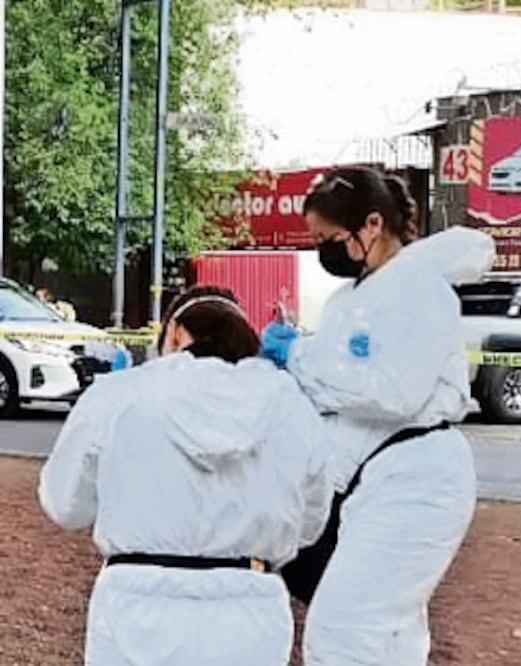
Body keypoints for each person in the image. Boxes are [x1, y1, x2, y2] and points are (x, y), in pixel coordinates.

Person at [259, 167, 495, 665]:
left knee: (346, 630)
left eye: (329, 239)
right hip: (374, 481)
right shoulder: (352, 300)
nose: (324, 251)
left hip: (418, 478)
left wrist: (300, 357)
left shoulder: (420, 292)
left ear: (371, 225)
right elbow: (338, 396)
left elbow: (395, 393)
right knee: (382, 637)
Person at [38, 285, 331, 666]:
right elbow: (311, 521)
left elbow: (65, 505)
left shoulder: (119, 394)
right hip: (250, 612)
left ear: (174, 331)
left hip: (135, 611)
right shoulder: (289, 404)